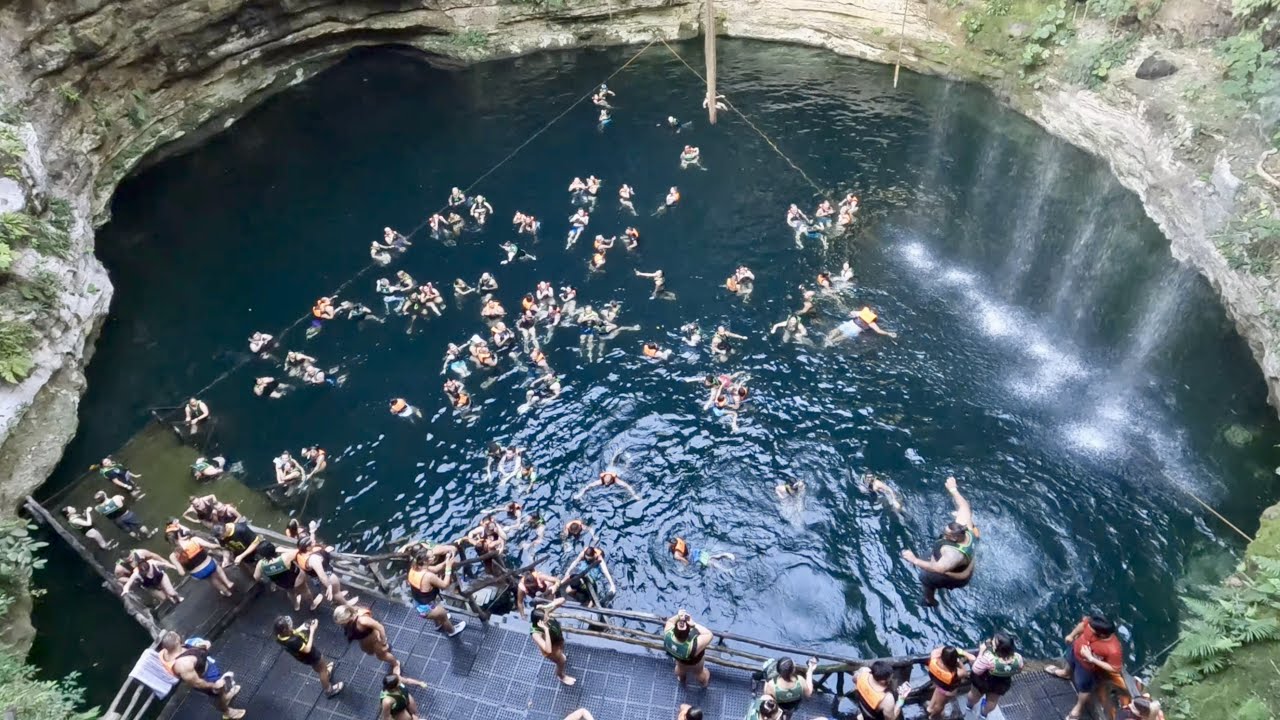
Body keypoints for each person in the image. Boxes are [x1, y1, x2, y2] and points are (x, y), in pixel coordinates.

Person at [901, 476, 977, 607]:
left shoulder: (953, 554)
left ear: (954, 538)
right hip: (959, 565)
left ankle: (929, 600)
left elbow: (938, 568)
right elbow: (964, 505)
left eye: (946, 534)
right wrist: (953, 490)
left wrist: (914, 560)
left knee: (925, 577)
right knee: (928, 560)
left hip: (953, 574)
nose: (944, 534)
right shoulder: (965, 526)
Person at [1048, 614, 1126, 720]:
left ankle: (1078, 708)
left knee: (1084, 688)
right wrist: (1071, 635)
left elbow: (1115, 668)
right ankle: (1065, 673)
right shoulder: (1093, 624)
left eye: (1091, 629)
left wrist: (1091, 659)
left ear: (1101, 634)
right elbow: (1082, 625)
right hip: (1075, 650)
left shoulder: (1113, 649)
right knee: (1070, 661)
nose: (1087, 627)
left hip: (1087, 667)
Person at [159, 632, 244, 719]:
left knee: (222, 688)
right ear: (177, 641)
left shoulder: (167, 650)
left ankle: (226, 696)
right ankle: (228, 713)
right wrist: (214, 685)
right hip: (206, 678)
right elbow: (197, 683)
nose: (180, 636)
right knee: (216, 696)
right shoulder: (183, 664)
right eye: (178, 636)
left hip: (206, 667)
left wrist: (202, 647)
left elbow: (192, 649)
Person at [332, 605, 425, 684]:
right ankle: (387, 649)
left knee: (381, 656)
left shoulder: (362, 621)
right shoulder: (349, 621)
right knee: (370, 652)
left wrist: (384, 641)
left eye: (342, 623)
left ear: (348, 617)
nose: (341, 625)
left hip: (375, 640)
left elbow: (380, 627)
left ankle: (396, 663)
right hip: (363, 640)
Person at [275, 615, 344, 697]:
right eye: (289, 627)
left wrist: (302, 627)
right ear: (285, 630)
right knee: (322, 669)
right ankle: (329, 690)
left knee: (320, 666)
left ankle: (326, 673)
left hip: (304, 657)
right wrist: (312, 631)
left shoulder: (279, 637)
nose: (291, 627)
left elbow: (292, 634)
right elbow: (307, 649)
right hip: (311, 655)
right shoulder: (293, 641)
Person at [406, 549, 467, 636]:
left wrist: (446, 562)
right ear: (425, 561)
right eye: (431, 557)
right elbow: (444, 585)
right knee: (444, 617)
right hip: (428, 608)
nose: (434, 557)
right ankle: (452, 631)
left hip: (418, 604)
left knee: (437, 614)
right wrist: (448, 568)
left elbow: (435, 569)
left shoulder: (415, 567)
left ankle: (438, 624)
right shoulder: (428, 576)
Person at [966, 632, 1024, 718]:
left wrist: (981, 651)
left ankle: (969, 706)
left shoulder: (989, 658)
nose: (991, 641)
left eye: (993, 642)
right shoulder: (1018, 658)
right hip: (1000, 684)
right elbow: (1019, 670)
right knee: (992, 701)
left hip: (983, 681)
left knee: (974, 695)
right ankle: (983, 714)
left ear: (997, 648)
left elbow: (976, 670)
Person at [168, 530, 236, 597]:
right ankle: (228, 582)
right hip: (210, 565)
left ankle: (227, 593)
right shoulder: (194, 540)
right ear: (179, 535)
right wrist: (221, 545)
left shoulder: (173, 556)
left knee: (211, 579)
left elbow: (182, 573)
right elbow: (212, 546)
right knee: (215, 564)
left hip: (198, 574)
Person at [254, 541, 312, 610]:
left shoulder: (260, 564)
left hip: (283, 584)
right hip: (297, 580)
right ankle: (312, 604)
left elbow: (256, 577)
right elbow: (299, 550)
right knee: (305, 591)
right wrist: (283, 549)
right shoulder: (284, 557)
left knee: (290, 593)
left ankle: (296, 606)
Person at [529, 599, 576, 685]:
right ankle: (561, 676)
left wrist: (546, 606)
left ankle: (561, 656)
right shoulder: (536, 633)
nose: (548, 617)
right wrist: (546, 630)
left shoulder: (543, 611)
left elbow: (562, 600)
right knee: (561, 661)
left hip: (557, 639)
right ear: (539, 622)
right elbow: (548, 649)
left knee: (561, 654)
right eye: (546, 618)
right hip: (551, 648)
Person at [663, 610, 712, 687]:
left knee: (680, 669)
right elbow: (709, 634)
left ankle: (681, 678)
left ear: (674, 630)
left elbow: (670, 621)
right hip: (694, 662)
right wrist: (693, 624)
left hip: (680, 659)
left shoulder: (667, 634)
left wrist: (679, 616)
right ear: (689, 632)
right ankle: (704, 682)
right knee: (699, 673)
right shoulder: (693, 646)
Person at [924, 646, 973, 720]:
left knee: (937, 692)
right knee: (940, 705)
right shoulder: (957, 673)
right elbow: (965, 673)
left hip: (937, 684)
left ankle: (930, 708)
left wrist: (946, 651)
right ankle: (933, 716)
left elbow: (938, 650)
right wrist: (959, 662)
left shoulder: (935, 659)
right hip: (948, 691)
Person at [825, 306, 897, 345]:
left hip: (850, 324)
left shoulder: (860, 313)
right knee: (843, 336)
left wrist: (852, 313)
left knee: (837, 330)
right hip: (855, 330)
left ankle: (827, 339)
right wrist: (888, 333)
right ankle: (830, 342)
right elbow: (878, 331)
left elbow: (851, 313)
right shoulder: (871, 322)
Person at [668, 537, 735, 571]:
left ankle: (726, 570)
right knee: (710, 557)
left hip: (693, 558)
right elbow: (684, 540)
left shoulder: (677, 553)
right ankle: (723, 555)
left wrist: (685, 568)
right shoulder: (678, 539)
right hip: (694, 551)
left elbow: (684, 561)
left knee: (711, 563)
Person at [575, 470, 640, 500]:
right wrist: (580, 494)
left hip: (617, 470)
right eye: (605, 482)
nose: (606, 484)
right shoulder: (601, 481)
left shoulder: (616, 480)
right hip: (610, 469)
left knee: (625, 468)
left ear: (611, 480)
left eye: (608, 482)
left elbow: (627, 486)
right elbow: (589, 486)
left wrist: (635, 495)